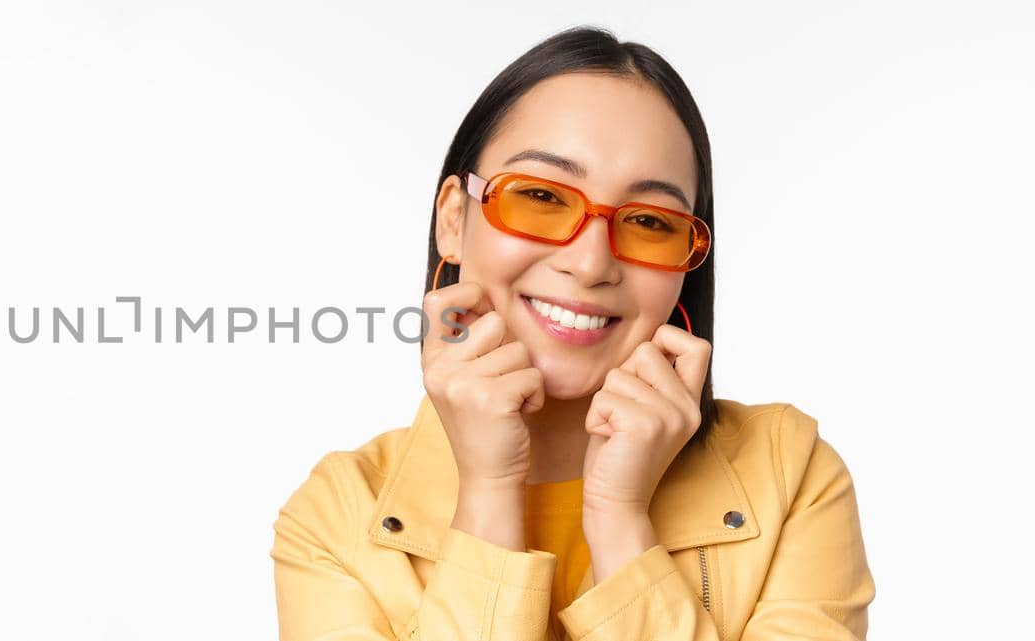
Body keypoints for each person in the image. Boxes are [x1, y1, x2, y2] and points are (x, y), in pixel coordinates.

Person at [269, 27, 874, 641]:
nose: (589, 263)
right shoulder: (336, 516)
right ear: (454, 219)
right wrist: (487, 492)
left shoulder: (788, 473)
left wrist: (620, 524)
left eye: (647, 221)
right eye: (539, 196)